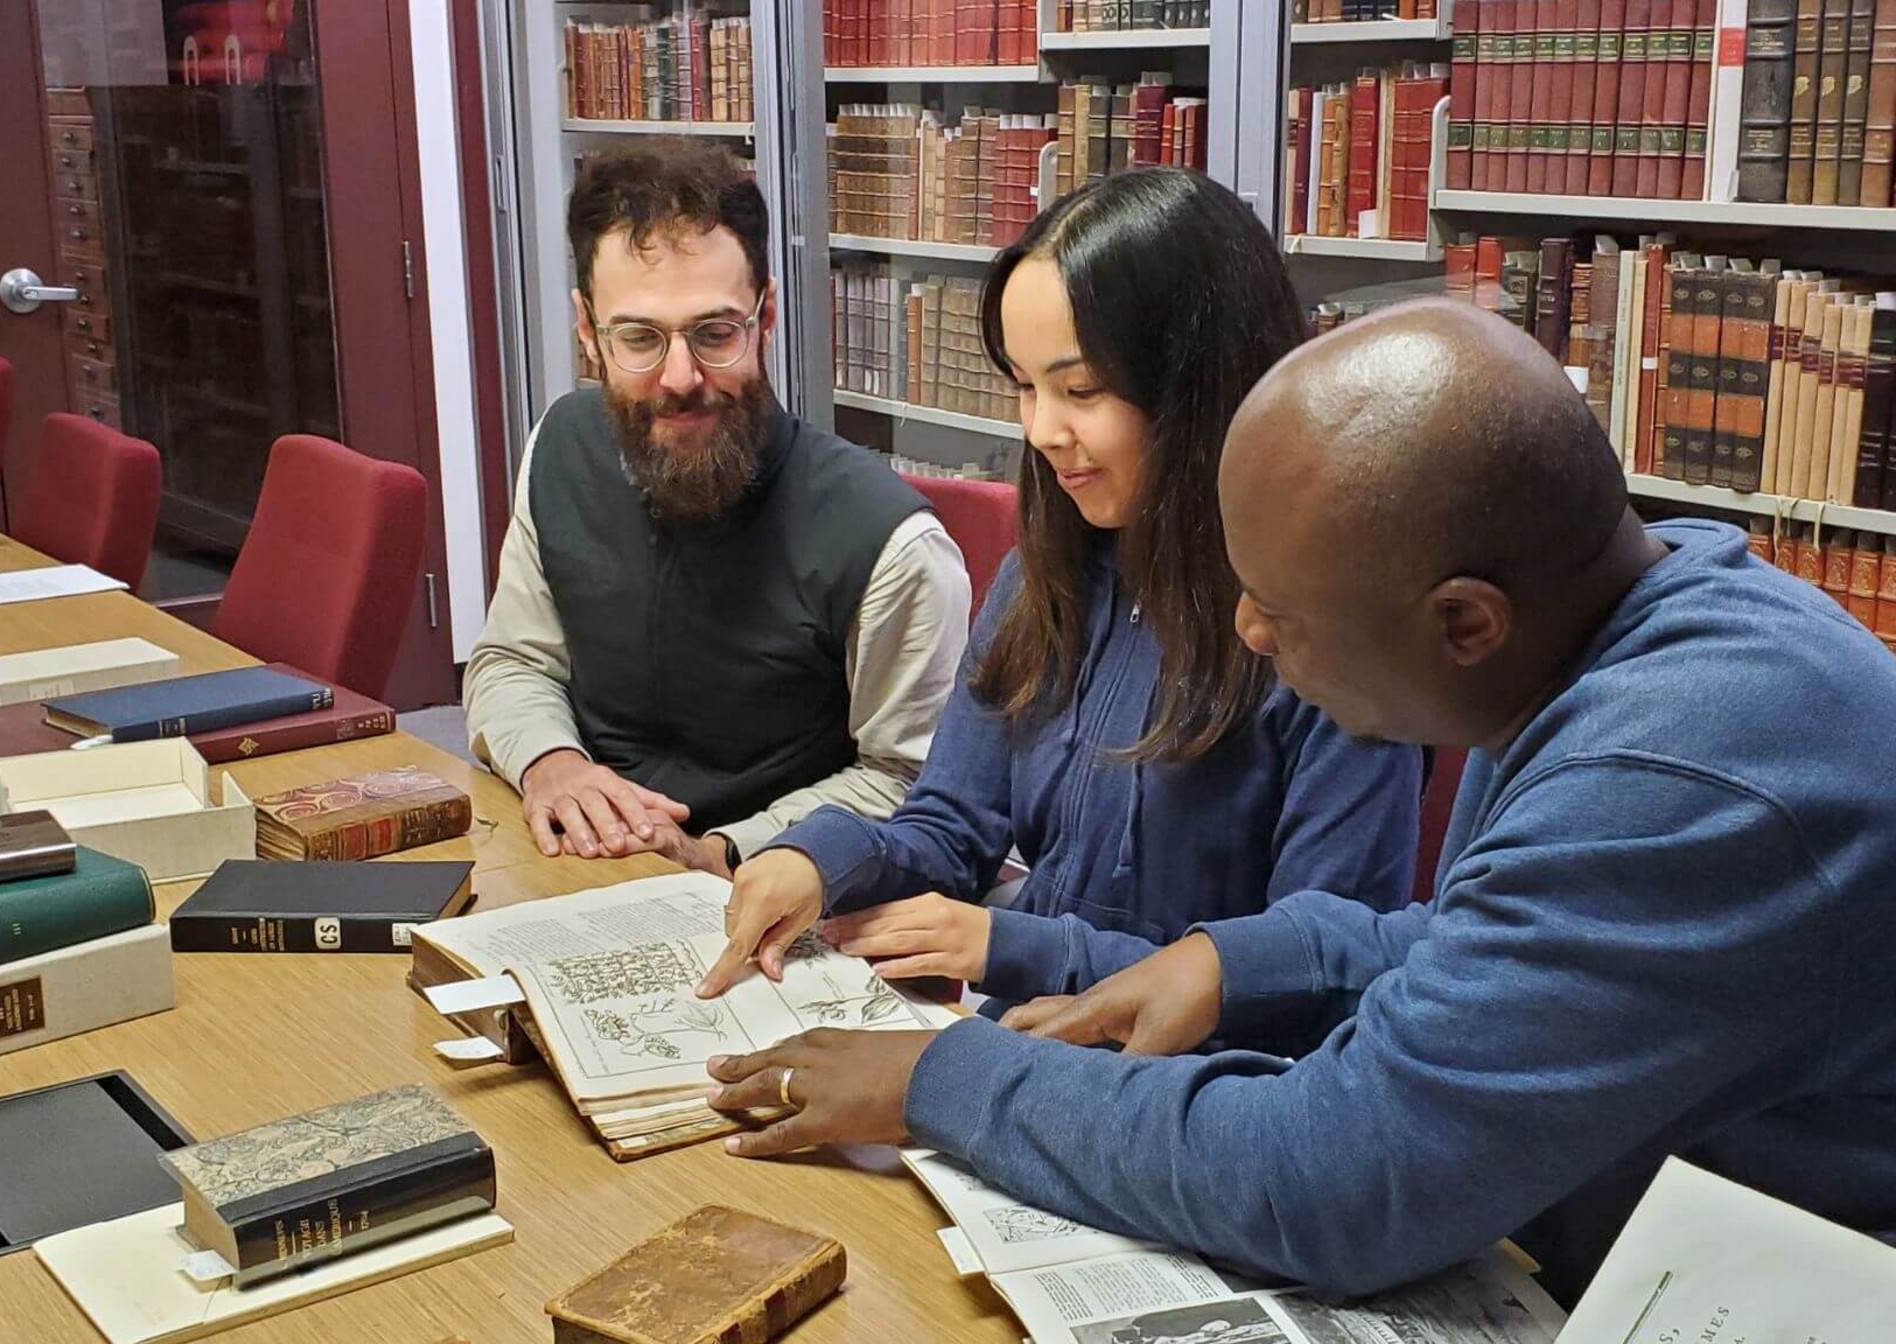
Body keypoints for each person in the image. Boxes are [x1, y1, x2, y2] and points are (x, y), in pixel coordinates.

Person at [701, 300, 1896, 1304]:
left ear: (1462, 622)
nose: (1247, 632)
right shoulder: (1613, 611)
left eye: (1281, 610)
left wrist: (939, 1080)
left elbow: (1338, 1181)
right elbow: (1499, 932)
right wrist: (1244, 961)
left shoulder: (1677, 774)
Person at [697, 170, 1420, 1012]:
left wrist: (1018, 946)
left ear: (1201, 385)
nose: (1043, 431)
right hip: (1027, 1050)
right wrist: (816, 858)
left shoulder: (1329, 633)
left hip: (1197, 1102)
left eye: (1081, 391)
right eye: (1025, 388)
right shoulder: (1053, 570)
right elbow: (951, 826)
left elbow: (1312, 984)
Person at [464, 140, 971, 878]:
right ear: (587, 332)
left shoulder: (893, 546)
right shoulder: (560, 448)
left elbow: (910, 782)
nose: (680, 377)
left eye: (714, 333)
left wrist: (721, 851)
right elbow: (513, 659)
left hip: (784, 901)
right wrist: (552, 764)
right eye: (638, 337)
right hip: (580, 865)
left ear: (765, 320)